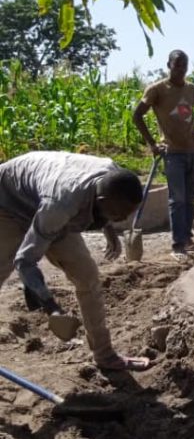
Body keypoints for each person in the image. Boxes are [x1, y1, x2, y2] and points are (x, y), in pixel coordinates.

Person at [0, 151, 148, 372]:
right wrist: (52, 309)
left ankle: (104, 354)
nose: (124, 219)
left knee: (88, 277)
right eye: (119, 213)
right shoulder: (61, 203)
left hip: (47, 200)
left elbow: (105, 202)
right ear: (102, 201)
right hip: (8, 204)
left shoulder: (112, 174)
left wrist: (109, 227)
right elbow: (25, 260)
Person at [133, 49, 194, 259]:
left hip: (192, 152)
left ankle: (187, 238)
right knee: (176, 200)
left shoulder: (192, 90)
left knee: (190, 199)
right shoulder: (157, 89)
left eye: (184, 66)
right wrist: (152, 144)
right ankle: (178, 245)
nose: (181, 70)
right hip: (172, 153)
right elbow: (137, 115)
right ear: (168, 65)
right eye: (177, 65)